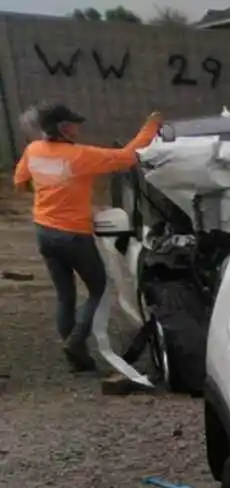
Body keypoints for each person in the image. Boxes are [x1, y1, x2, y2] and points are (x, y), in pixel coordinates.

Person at [11, 102, 163, 371]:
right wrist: (152, 125)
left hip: (44, 231)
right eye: (74, 123)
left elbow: (20, 183)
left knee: (64, 295)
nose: (78, 127)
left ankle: (76, 359)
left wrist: (51, 192)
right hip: (74, 235)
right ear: (64, 129)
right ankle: (77, 339)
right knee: (98, 287)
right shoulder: (80, 156)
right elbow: (128, 156)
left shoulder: (33, 151)